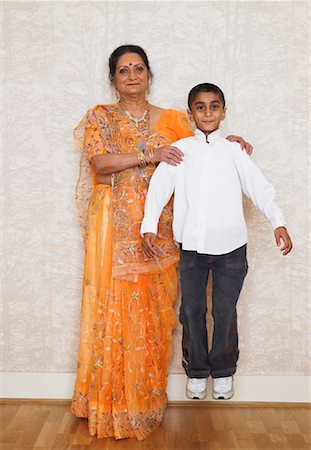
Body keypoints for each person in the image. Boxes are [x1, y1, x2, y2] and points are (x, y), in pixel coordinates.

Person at [71, 46, 253, 441]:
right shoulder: (100, 117)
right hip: (116, 233)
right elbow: (99, 163)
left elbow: (204, 148)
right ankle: (112, 403)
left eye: (138, 68)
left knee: (156, 317)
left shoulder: (173, 120)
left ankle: (146, 402)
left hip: (165, 236)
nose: (132, 74)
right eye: (123, 70)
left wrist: (230, 141)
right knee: (116, 312)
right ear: (113, 79)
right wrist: (147, 154)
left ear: (149, 75)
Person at [141, 82, 292, 403]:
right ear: (190, 112)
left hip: (232, 248)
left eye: (214, 106)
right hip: (192, 249)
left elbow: (259, 187)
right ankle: (196, 371)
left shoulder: (234, 150)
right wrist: (149, 225)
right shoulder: (180, 150)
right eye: (200, 106)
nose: (207, 112)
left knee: (224, 311)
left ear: (224, 112)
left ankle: (223, 371)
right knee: (192, 311)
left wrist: (278, 221)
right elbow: (158, 188)